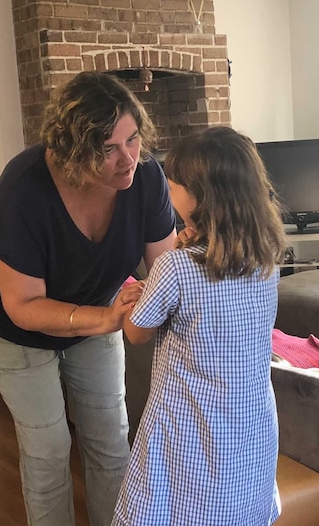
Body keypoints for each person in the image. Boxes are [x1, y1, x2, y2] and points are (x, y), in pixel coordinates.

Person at [0, 71, 177, 525]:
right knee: (47, 450)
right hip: (13, 328)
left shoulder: (146, 178)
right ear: (72, 149)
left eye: (133, 140)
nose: (128, 159)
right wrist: (105, 320)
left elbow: (168, 269)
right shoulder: (23, 189)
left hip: (96, 313)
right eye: (108, 148)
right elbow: (22, 306)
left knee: (110, 438)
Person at [111, 126, 286, 526]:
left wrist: (136, 298)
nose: (168, 194)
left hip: (189, 425)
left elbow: (137, 333)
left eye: (173, 187)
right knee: (235, 505)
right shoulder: (267, 260)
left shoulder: (176, 267)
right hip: (250, 420)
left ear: (199, 198)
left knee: (178, 507)